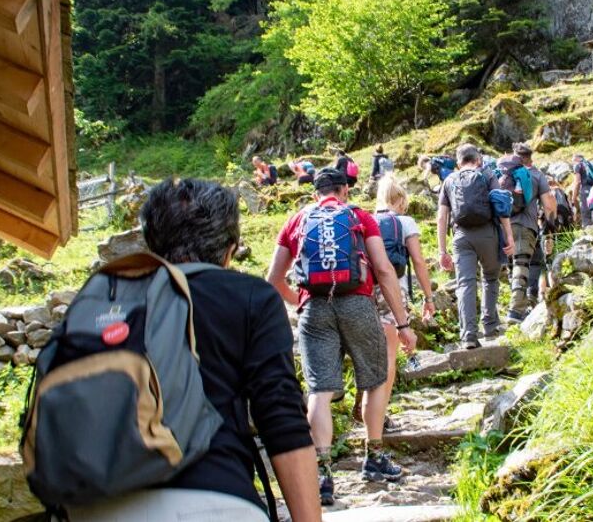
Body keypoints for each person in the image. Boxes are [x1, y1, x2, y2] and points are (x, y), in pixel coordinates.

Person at [67, 179, 321, 522]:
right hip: (214, 499)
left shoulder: (101, 302)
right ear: (229, 250)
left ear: (153, 243)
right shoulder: (250, 297)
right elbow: (281, 418)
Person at [265, 168, 417, 506]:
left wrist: (299, 302)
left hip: (314, 310)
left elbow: (274, 277)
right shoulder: (359, 216)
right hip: (358, 305)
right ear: (344, 191)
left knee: (319, 389)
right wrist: (403, 324)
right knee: (376, 379)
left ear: (314, 193)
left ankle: (322, 472)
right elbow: (382, 269)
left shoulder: (296, 220)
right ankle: (374, 457)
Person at [351, 175, 438, 428]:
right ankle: (376, 420)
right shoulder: (405, 222)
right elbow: (419, 263)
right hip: (392, 292)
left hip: (363, 292)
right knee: (388, 356)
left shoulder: (365, 220)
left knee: (369, 354)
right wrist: (428, 297)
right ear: (399, 200)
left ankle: (364, 406)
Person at [436, 144, 514, 350]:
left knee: (465, 284)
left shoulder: (449, 181)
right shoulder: (487, 175)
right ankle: (489, 326)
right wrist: (509, 237)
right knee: (490, 277)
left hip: (461, 236)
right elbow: (501, 206)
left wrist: (442, 250)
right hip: (488, 233)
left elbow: (441, 217)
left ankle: (469, 336)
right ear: (478, 159)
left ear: (458, 162)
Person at [508, 143, 556, 316]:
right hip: (526, 226)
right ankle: (515, 311)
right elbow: (549, 202)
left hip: (503, 226)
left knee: (511, 266)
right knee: (521, 264)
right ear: (531, 157)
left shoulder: (505, 172)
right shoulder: (536, 175)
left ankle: (515, 302)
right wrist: (550, 225)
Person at [571, 154, 593, 228]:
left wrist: (573, 198)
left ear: (577, 159)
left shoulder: (578, 166)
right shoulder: (591, 165)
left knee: (586, 215)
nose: (573, 163)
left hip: (585, 191)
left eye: (573, 161)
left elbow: (577, 182)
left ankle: (588, 234)